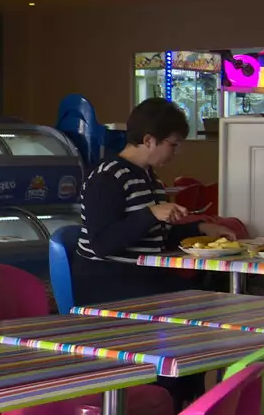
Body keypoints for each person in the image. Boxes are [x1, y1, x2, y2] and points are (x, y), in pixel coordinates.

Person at [72, 97, 238, 305]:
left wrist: (202, 228)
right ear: (149, 140)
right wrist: (151, 214)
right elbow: (102, 244)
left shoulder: (151, 178)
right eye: (173, 145)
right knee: (201, 302)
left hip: (143, 274)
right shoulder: (108, 177)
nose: (176, 152)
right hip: (107, 279)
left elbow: (157, 237)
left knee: (214, 290)